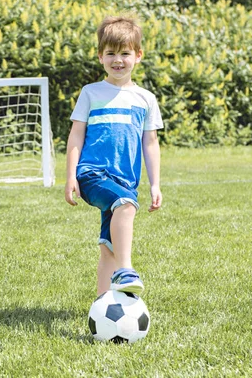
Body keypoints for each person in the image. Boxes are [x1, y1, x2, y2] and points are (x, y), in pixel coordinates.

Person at [65, 15, 163, 296]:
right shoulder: (91, 93)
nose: (117, 60)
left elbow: (151, 142)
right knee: (125, 205)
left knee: (109, 247)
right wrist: (71, 176)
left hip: (125, 180)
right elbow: (76, 136)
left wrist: (155, 184)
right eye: (111, 53)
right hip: (92, 174)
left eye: (125, 53)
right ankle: (126, 271)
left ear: (138, 56)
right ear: (100, 57)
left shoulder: (145, 99)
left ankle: (102, 304)